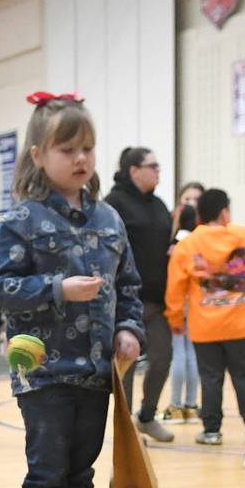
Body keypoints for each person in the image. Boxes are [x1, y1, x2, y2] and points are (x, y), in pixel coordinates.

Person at [0, 93, 144, 488]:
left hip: (98, 372)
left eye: (88, 148)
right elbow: (0, 290)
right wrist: (58, 288)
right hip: (45, 373)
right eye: (67, 149)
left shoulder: (110, 219)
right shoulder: (22, 221)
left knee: (81, 474)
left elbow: (131, 286)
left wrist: (130, 330)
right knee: (48, 471)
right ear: (38, 155)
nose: (80, 159)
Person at [164, 188, 245, 446]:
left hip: (205, 325)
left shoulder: (188, 245)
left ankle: (211, 430)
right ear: (224, 212)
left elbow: (175, 288)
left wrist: (175, 320)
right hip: (243, 322)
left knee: (211, 378)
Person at [104, 146, 175, 444]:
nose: (158, 171)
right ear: (134, 170)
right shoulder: (112, 204)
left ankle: (146, 417)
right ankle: (126, 428)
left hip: (158, 301)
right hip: (125, 301)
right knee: (127, 364)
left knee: (163, 357)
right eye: (153, 166)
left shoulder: (159, 205)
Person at [166, 182, 204, 423]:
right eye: (186, 198)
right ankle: (191, 404)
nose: (190, 204)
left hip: (185, 299)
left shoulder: (182, 240)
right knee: (190, 353)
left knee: (180, 352)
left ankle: (177, 405)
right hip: (197, 301)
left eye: (195, 199)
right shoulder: (201, 237)